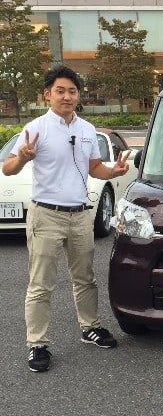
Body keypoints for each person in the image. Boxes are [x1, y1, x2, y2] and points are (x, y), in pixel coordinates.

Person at [2, 65, 131, 373]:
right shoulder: (36, 128)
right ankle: (37, 344)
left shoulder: (87, 129)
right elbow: (8, 168)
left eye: (72, 91)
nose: (67, 96)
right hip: (46, 214)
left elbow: (94, 168)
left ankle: (90, 327)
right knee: (41, 284)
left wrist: (113, 172)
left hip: (79, 215)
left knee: (85, 277)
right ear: (47, 95)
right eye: (60, 91)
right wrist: (22, 157)